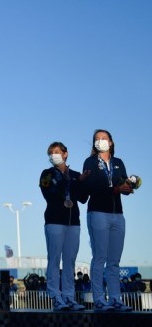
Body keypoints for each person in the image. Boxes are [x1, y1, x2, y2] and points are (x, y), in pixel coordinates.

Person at [83, 129, 135, 312]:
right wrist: (115, 190)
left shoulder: (118, 162)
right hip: (98, 213)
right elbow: (93, 187)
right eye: (97, 139)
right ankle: (99, 299)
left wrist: (128, 187)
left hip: (118, 215)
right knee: (100, 258)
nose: (100, 141)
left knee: (114, 261)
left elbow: (122, 184)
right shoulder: (90, 162)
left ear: (111, 142)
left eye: (104, 138)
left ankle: (115, 299)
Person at [39, 141, 88, 311]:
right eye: (51, 153)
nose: (54, 155)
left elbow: (83, 198)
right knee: (54, 259)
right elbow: (49, 194)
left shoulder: (75, 175)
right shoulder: (46, 174)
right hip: (54, 221)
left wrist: (80, 182)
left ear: (65, 154)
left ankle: (68, 296)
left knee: (70, 261)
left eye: (57, 151)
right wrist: (66, 181)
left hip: (73, 222)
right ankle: (55, 296)